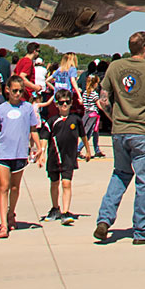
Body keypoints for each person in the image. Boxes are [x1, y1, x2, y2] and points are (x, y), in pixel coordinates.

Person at [94, 30, 145, 245]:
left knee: (120, 174)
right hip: (143, 131)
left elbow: (103, 100)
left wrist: (114, 119)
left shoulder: (114, 67)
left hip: (120, 131)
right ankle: (142, 230)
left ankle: (104, 219)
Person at [0, 75, 42, 238]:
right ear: (7, 90)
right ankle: (3, 224)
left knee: (15, 187)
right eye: (15, 91)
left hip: (20, 153)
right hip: (3, 153)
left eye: (20, 91)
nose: (17, 94)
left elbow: (33, 129)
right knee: (4, 187)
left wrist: (39, 147)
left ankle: (11, 212)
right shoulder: (0, 109)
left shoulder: (27, 108)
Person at [44, 89, 82, 222]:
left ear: (71, 103)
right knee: (54, 183)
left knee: (66, 183)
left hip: (69, 158)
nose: (64, 105)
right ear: (56, 104)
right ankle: (55, 208)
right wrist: (41, 152)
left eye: (67, 102)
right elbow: (44, 138)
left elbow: (83, 135)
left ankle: (65, 212)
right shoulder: (52, 121)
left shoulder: (76, 120)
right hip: (54, 157)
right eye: (61, 103)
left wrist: (88, 150)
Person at [78, 74, 105, 160]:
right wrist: (105, 108)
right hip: (93, 115)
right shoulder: (94, 94)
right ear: (95, 84)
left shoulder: (85, 93)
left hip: (87, 113)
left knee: (95, 133)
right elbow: (99, 105)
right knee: (88, 134)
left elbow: (83, 103)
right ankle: (78, 149)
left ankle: (97, 150)